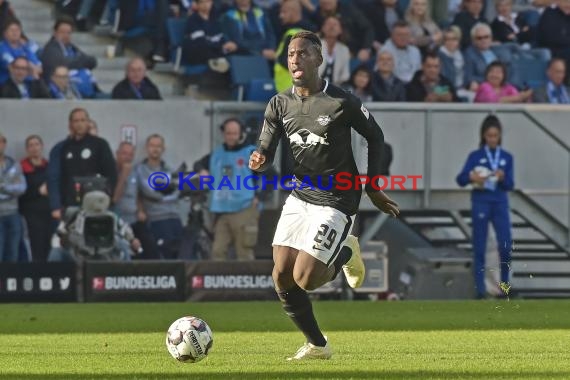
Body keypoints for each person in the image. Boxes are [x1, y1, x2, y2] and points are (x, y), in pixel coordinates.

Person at [249, 30, 399, 360]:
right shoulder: (280, 103)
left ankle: (345, 251)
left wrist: (372, 187)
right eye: (291, 54)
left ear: (319, 59)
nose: (295, 59)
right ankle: (318, 345)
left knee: (306, 278)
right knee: (281, 276)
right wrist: (259, 159)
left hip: (338, 200)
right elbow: (266, 146)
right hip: (301, 196)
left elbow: (376, 137)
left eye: (303, 53)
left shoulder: (342, 102)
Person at [456, 115, 514, 299]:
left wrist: (503, 177)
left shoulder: (506, 157)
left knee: (505, 245)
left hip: (499, 202)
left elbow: (510, 185)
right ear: (483, 136)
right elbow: (461, 179)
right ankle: (480, 289)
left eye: (495, 135)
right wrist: (472, 177)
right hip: (480, 201)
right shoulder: (476, 156)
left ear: (500, 136)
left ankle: (504, 287)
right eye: (489, 135)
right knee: (479, 246)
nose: (492, 139)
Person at [193, 118, 264, 261]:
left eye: (234, 133)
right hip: (222, 210)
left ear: (241, 134)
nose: (231, 137)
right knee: (217, 251)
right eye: (228, 133)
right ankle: (219, 282)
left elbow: (269, 173)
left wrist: (259, 195)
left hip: (244, 208)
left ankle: (246, 282)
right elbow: (198, 163)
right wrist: (201, 170)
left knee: (244, 252)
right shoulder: (217, 154)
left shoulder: (250, 153)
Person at [136, 134, 183, 259]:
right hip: (156, 219)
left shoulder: (170, 169)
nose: (155, 149)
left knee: (177, 257)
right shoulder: (140, 170)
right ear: (147, 148)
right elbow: (149, 192)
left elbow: (178, 192)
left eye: (158, 146)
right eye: (152, 146)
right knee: (161, 257)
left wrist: (162, 194)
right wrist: (168, 191)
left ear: (163, 149)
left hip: (175, 217)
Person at [59, 108, 117, 209]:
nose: (79, 124)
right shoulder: (65, 147)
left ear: (88, 123)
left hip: (95, 201)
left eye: (83, 120)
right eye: (76, 121)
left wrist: (108, 196)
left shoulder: (100, 144)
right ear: (71, 124)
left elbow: (111, 173)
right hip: (71, 202)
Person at [18, 135, 51, 263]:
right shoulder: (21, 167)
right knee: (35, 245)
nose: (34, 148)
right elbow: (20, 192)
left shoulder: (48, 166)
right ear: (27, 149)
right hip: (30, 213)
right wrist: (38, 191)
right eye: (31, 145)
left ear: (41, 147)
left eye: (37, 144)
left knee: (48, 244)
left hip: (48, 212)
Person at [318, 16, 350, 87]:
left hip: (334, 88)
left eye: (335, 24)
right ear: (323, 28)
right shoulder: (314, 44)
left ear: (340, 30)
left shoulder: (344, 49)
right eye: (328, 24)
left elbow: (345, 75)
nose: (331, 27)